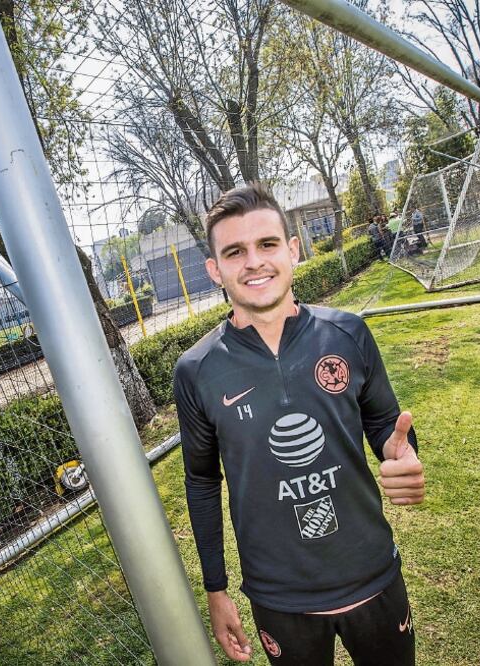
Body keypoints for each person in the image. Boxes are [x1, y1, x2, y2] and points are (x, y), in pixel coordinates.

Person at [173, 183, 424, 666]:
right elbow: (201, 480)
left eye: (267, 244)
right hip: (279, 596)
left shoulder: (347, 333)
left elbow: (386, 424)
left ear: (292, 250)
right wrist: (216, 588)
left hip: (372, 569)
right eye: (234, 251)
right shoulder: (196, 370)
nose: (254, 261)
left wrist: (404, 451)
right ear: (215, 270)